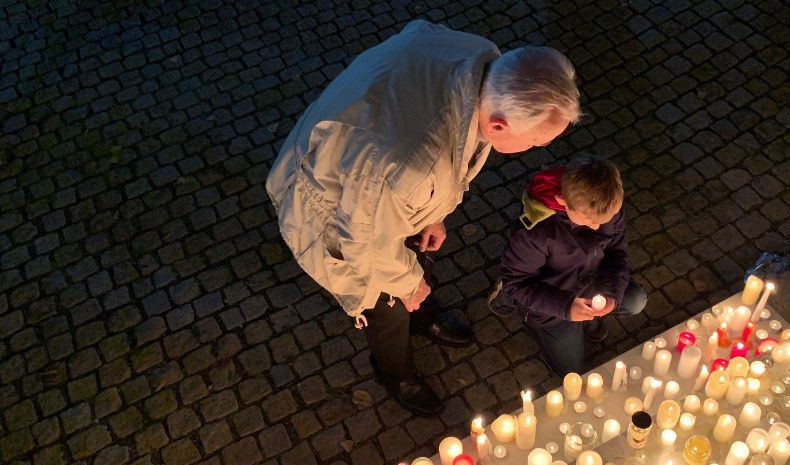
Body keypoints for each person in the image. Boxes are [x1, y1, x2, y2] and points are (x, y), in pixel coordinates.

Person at [266, 20, 580, 416]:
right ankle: (394, 371)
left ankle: (422, 314)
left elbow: (446, 159)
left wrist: (434, 215)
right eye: (535, 141)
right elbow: (364, 244)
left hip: (372, 182)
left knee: (413, 266)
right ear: (498, 124)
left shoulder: (481, 61)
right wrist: (407, 283)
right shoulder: (407, 168)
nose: (535, 149)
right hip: (334, 203)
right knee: (388, 303)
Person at [494, 155, 647, 375]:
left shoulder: (605, 208)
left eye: (603, 221)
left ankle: (586, 322)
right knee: (572, 371)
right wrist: (566, 307)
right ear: (563, 201)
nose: (596, 227)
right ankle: (507, 298)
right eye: (589, 220)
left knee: (636, 300)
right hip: (553, 300)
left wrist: (611, 293)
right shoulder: (536, 234)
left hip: (590, 280)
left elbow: (616, 253)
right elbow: (518, 282)